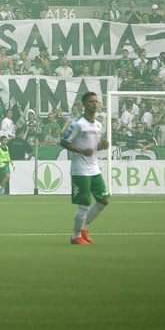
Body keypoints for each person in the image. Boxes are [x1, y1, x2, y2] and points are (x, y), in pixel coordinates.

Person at [60, 91, 109, 245]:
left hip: (94, 168)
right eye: (91, 102)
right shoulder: (78, 124)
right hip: (80, 169)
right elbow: (63, 142)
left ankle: (83, 227)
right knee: (84, 205)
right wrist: (81, 151)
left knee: (103, 200)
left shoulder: (98, 124)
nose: (94, 104)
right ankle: (75, 236)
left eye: (96, 101)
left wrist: (101, 146)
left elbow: (94, 146)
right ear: (84, 105)